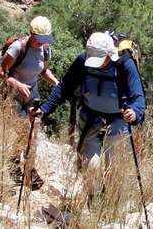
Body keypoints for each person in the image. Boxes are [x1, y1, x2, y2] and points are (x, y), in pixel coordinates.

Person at [32, 32, 145, 169]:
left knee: (115, 171)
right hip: (90, 118)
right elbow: (65, 87)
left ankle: (111, 191)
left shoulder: (125, 65)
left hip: (119, 121)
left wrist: (134, 112)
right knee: (90, 168)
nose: (95, 64)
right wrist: (44, 110)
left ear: (110, 54)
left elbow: (138, 96)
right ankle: (92, 190)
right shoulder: (83, 60)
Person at [0, 16, 59, 114]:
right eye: (39, 38)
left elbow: (44, 71)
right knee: (12, 126)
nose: (41, 42)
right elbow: (1, 72)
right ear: (31, 33)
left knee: (33, 124)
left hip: (32, 96)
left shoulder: (46, 50)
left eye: (44, 39)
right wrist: (17, 85)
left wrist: (57, 83)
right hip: (12, 95)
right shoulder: (18, 47)